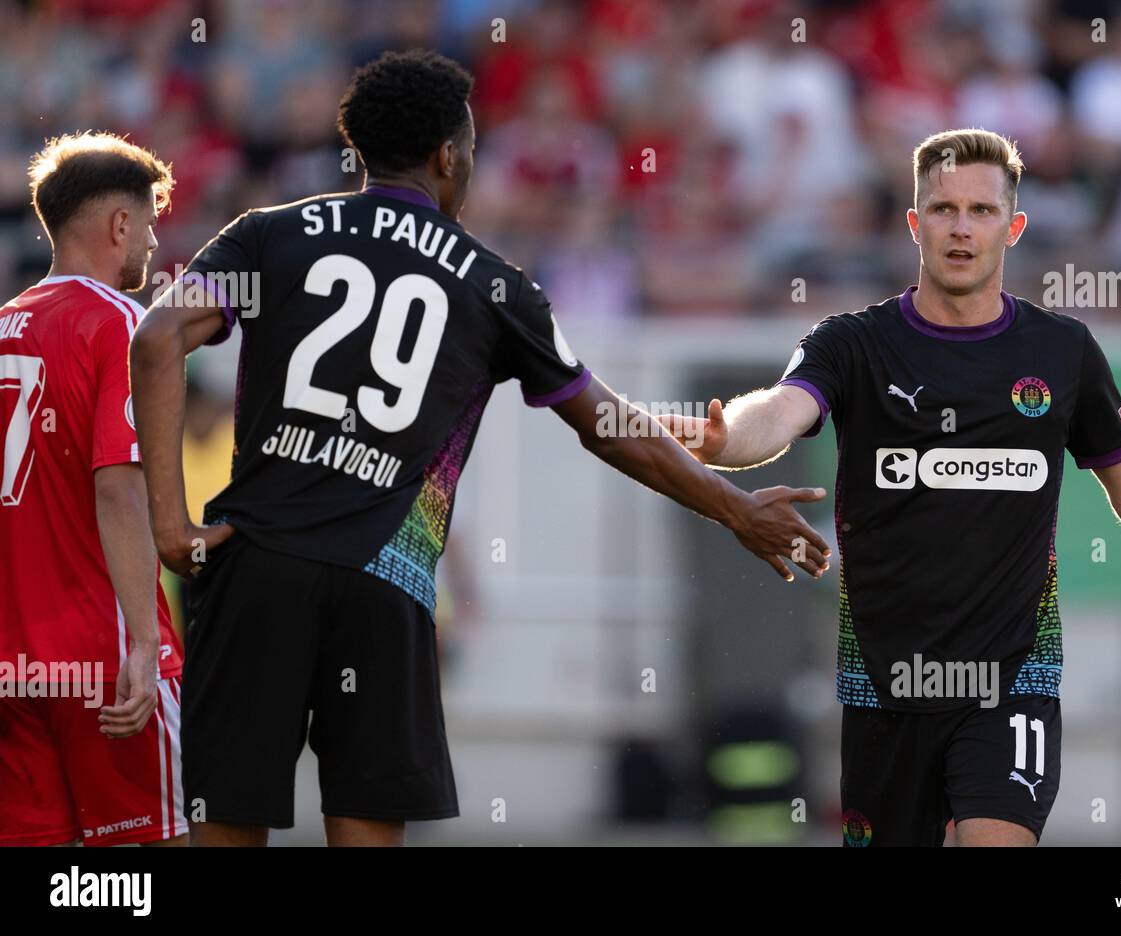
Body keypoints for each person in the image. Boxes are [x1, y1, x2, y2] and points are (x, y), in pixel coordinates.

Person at [129, 50, 830, 847]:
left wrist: (169, 526)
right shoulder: (494, 283)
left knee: (225, 824)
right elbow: (604, 423)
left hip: (254, 564)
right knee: (363, 829)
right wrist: (734, 506)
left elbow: (156, 340)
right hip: (382, 583)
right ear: (448, 157)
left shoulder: (269, 235)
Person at [660, 128, 1121, 847]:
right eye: (943, 209)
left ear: (1013, 227)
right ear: (915, 225)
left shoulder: (1061, 351)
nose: (962, 228)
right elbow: (782, 412)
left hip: (1012, 680)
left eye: (981, 211)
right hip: (886, 687)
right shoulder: (852, 343)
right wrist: (728, 438)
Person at [0, 132, 186, 847]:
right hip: (102, 654)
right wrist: (143, 641)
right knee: (147, 853)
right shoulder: (120, 325)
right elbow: (118, 487)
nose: (152, 240)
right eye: (149, 223)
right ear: (119, 225)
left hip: (15, 659)